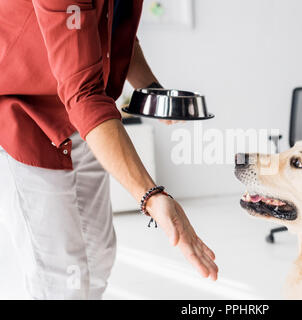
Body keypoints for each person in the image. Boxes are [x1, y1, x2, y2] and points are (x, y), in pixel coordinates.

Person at [0, 0, 218, 299]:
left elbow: (112, 37)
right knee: (63, 274)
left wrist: (152, 90)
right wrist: (152, 197)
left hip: (85, 121)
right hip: (22, 118)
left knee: (98, 256)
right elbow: (83, 95)